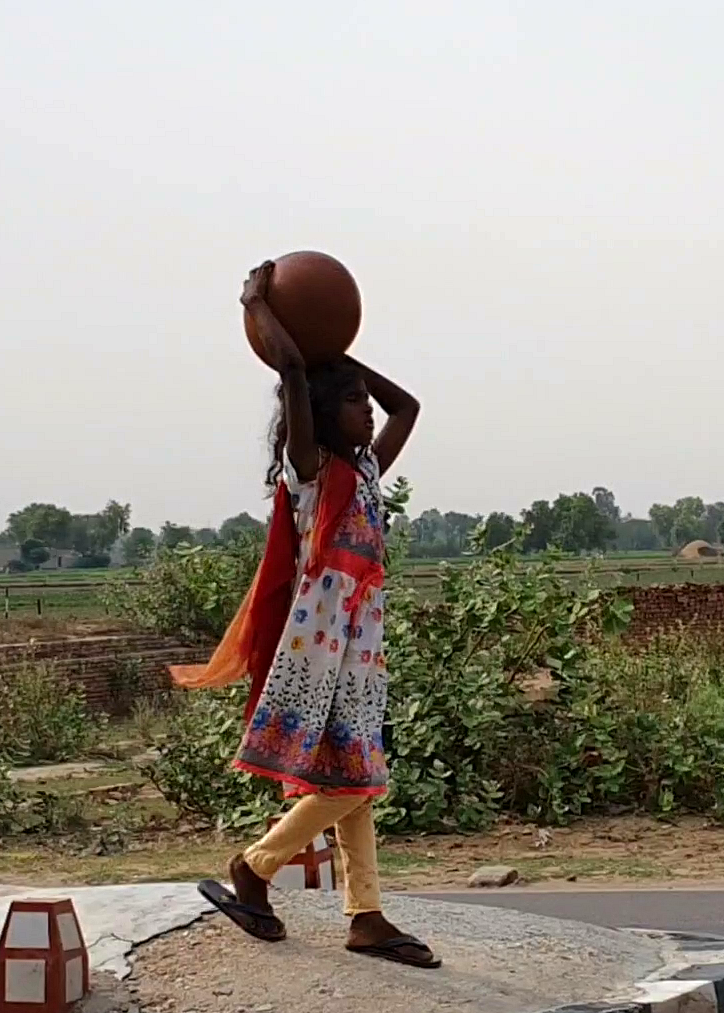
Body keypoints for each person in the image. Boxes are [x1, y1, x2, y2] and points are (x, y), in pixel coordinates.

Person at [177, 261, 435, 969]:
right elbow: (292, 375)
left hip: (360, 649)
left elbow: (408, 406)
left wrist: (343, 356)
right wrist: (261, 307)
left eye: (364, 402)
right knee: (351, 780)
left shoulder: (368, 473)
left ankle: (366, 914)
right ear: (322, 416)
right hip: (318, 650)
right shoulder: (312, 471)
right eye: (354, 403)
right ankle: (255, 868)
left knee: (354, 780)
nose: (369, 411)